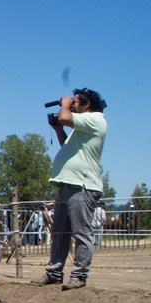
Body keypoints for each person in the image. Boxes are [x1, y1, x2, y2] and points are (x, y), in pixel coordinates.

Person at [31, 88, 108, 290]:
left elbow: (65, 116)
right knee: (59, 232)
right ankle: (54, 273)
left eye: (74, 102)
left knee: (81, 232)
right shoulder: (81, 126)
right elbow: (68, 146)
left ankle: (79, 275)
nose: (71, 105)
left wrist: (64, 107)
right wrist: (58, 129)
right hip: (67, 184)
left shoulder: (96, 119)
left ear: (86, 103)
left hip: (83, 185)